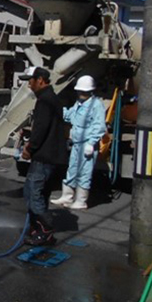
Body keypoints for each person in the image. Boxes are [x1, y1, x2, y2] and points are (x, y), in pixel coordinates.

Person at [20, 66, 68, 245]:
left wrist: (29, 148)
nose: (29, 85)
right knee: (39, 193)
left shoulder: (45, 101)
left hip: (44, 157)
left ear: (40, 80)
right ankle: (37, 229)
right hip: (52, 156)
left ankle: (45, 230)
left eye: (30, 81)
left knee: (33, 193)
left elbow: (40, 129)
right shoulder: (52, 98)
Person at [51, 75, 106, 210]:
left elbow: (99, 126)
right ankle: (67, 196)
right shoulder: (79, 104)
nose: (81, 94)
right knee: (72, 169)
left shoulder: (96, 105)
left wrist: (91, 143)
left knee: (84, 172)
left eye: (83, 92)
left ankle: (81, 200)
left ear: (89, 91)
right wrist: (58, 109)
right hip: (76, 143)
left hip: (87, 144)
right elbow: (70, 115)